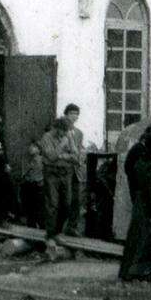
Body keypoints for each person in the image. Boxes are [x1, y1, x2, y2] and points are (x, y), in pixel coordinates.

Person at [117, 124, 151, 284]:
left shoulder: (141, 160)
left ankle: (131, 271)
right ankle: (147, 272)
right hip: (148, 203)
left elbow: (134, 174)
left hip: (141, 200)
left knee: (137, 237)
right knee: (147, 238)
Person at [38, 116, 79, 249]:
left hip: (66, 173)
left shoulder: (68, 136)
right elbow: (51, 156)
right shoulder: (46, 138)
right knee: (53, 203)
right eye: (61, 131)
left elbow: (76, 156)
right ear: (56, 128)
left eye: (65, 131)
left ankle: (58, 232)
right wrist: (63, 147)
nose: (63, 134)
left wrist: (63, 156)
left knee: (66, 203)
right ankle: (50, 234)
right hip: (52, 172)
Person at [62, 104, 88, 236]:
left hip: (75, 171)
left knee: (77, 200)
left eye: (76, 114)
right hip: (62, 170)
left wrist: (80, 158)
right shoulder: (58, 131)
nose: (74, 116)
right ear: (65, 115)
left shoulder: (79, 133)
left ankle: (72, 226)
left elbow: (78, 150)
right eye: (71, 113)